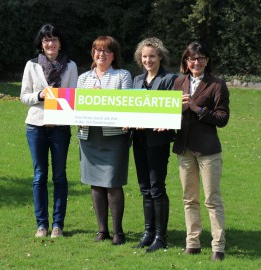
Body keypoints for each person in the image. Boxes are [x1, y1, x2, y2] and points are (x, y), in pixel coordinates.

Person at [172, 41, 230, 261]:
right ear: (186, 62)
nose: (196, 62)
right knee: (189, 199)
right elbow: (170, 113)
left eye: (201, 58)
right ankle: (192, 243)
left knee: (212, 199)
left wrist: (196, 108)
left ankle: (218, 246)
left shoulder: (217, 84)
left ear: (207, 61)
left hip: (208, 150)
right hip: (184, 148)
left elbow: (222, 119)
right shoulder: (179, 82)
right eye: (192, 59)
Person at [20, 24, 78, 238]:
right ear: (41, 43)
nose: (50, 44)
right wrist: (40, 96)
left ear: (60, 43)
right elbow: (24, 96)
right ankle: (41, 225)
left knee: (60, 176)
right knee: (39, 176)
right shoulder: (32, 65)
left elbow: (74, 97)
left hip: (61, 128)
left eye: (54, 39)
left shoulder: (70, 66)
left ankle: (57, 225)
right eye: (46, 40)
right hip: (36, 127)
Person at [77, 36, 132, 245]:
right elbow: (76, 107)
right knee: (96, 185)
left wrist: (102, 97)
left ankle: (118, 231)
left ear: (113, 55)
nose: (102, 55)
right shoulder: (83, 79)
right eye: (98, 51)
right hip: (89, 136)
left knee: (113, 183)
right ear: (93, 54)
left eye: (106, 51)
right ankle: (102, 230)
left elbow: (127, 104)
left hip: (114, 137)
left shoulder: (122, 76)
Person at [132, 37, 177, 252]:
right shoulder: (136, 80)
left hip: (158, 142)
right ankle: (148, 232)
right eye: (144, 56)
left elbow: (172, 111)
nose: (148, 60)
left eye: (152, 56)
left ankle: (161, 236)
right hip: (138, 140)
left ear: (160, 56)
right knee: (144, 188)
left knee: (157, 186)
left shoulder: (169, 79)